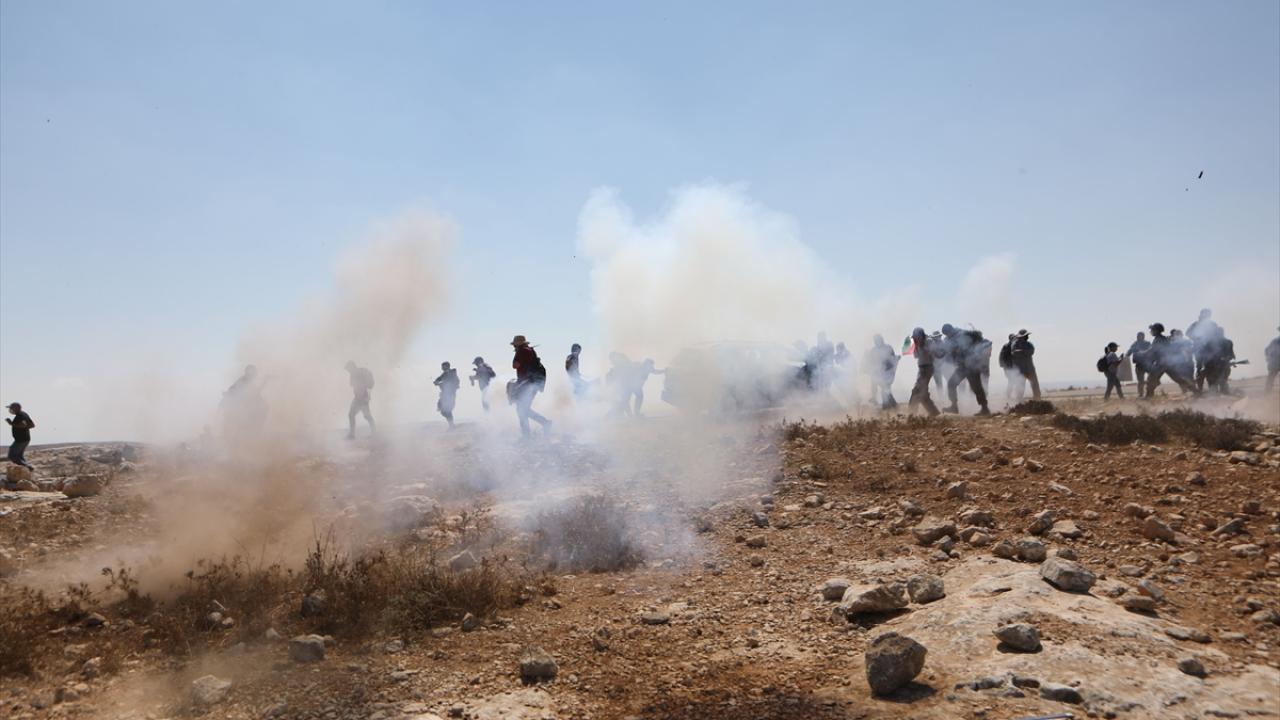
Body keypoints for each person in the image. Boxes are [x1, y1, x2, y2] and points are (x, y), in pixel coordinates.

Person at [940, 323, 991, 416]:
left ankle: (985, 408)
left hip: (971, 365)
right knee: (951, 384)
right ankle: (954, 406)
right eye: (945, 334)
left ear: (950, 330)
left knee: (977, 387)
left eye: (947, 333)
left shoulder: (961, 334)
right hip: (962, 366)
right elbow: (947, 353)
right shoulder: (950, 339)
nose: (947, 335)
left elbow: (972, 346)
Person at [510, 335, 551, 437]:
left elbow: (515, 365)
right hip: (532, 382)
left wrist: (516, 355)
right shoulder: (529, 350)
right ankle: (543, 424)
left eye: (515, 345)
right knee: (523, 409)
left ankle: (530, 434)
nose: (514, 347)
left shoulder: (522, 351)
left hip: (528, 383)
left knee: (522, 409)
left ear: (518, 344)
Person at [1144, 323, 1198, 397]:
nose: (1151, 331)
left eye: (1153, 330)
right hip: (1168, 363)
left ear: (1157, 330)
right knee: (1179, 379)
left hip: (1161, 363)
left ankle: (1149, 395)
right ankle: (1196, 391)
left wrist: (1143, 353)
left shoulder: (1159, 339)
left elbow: (1153, 350)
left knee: (1151, 378)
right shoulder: (1162, 338)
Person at [906, 328, 941, 416]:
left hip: (928, 368)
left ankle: (911, 413)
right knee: (923, 393)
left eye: (918, 337)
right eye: (915, 337)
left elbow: (934, 352)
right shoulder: (916, 343)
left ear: (922, 335)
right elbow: (916, 356)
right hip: (921, 368)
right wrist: (915, 347)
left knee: (916, 390)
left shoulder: (929, 341)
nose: (917, 339)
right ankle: (934, 412)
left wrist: (926, 350)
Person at [1186, 308, 1220, 390]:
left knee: (1211, 368)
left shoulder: (1212, 324)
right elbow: (1188, 333)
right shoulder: (1195, 324)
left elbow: (1218, 335)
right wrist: (1197, 338)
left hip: (1211, 350)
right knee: (1199, 368)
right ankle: (1200, 389)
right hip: (1199, 350)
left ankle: (1212, 389)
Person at [863, 335, 899, 409]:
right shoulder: (874, 350)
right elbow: (871, 361)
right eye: (875, 340)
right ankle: (893, 405)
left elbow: (892, 359)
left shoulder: (888, 348)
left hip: (888, 373)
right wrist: (867, 356)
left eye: (878, 340)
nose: (877, 342)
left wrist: (894, 360)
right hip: (880, 373)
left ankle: (886, 407)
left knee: (885, 390)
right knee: (883, 388)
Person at [345, 361, 376, 439]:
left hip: (362, 398)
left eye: (348, 369)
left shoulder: (357, 373)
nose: (348, 371)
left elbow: (361, 386)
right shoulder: (354, 374)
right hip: (359, 397)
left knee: (365, 415)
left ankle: (373, 433)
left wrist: (364, 397)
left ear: (352, 367)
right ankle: (353, 434)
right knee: (360, 415)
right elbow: (353, 385)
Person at [1200, 327, 1235, 394]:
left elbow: (1204, 356)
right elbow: (1232, 356)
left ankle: (1218, 397)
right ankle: (1224, 395)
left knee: (1214, 387)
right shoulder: (1228, 342)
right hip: (1221, 367)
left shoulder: (1209, 343)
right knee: (1222, 384)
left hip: (1213, 368)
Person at [1009, 329, 1041, 402]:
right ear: (1021, 337)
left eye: (1027, 335)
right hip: (1021, 371)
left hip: (1030, 369)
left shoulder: (1029, 344)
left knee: (1035, 386)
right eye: (1026, 335)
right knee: (1020, 388)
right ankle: (1019, 403)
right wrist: (1023, 352)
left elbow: (1031, 351)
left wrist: (1022, 351)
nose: (1027, 337)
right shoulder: (1015, 344)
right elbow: (1014, 353)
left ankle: (1038, 401)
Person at [5, 402, 35, 470]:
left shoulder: (21, 416)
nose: (10, 410)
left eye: (11, 408)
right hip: (24, 439)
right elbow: (32, 425)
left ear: (16, 408)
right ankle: (26, 470)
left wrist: (11, 424)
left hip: (21, 440)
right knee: (19, 456)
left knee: (12, 456)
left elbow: (23, 425)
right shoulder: (23, 414)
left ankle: (28, 467)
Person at [433, 362, 460, 429]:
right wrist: (436, 381)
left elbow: (452, 383)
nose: (442, 368)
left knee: (447, 410)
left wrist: (440, 384)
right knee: (443, 411)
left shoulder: (452, 373)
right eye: (442, 366)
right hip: (444, 395)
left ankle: (452, 425)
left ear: (447, 366)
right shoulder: (445, 373)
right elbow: (440, 378)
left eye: (443, 366)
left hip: (450, 395)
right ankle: (451, 425)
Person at [1127, 332, 1152, 398]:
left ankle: (1150, 392)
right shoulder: (1135, 344)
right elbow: (1129, 352)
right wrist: (1125, 356)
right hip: (1139, 364)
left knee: (1152, 378)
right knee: (1140, 381)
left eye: (1140, 336)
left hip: (1147, 364)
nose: (1138, 337)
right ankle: (1141, 394)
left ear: (1143, 336)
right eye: (1138, 336)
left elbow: (1152, 350)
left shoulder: (1147, 343)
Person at [998, 334, 1016, 404]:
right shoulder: (1006, 346)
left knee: (1012, 381)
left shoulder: (1014, 346)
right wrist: (1003, 365)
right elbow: (1001, 356)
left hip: (1012, 367)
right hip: (1008, 367)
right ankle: (1008, 395)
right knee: (1011, 381)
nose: (1015, 339)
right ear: (1010, 339)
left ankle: (1009, 394)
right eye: (1013, 338)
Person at [1266, 327, 1280, 392]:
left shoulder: (1274, 341)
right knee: (1271, 378)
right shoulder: (1275, 341)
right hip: (1275, 363)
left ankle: (1267, 392)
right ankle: (1267, 392)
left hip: (1274, 363)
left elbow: (1267, 350)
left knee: (1270, 378)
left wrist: (1269, 358)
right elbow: (1267, 350)